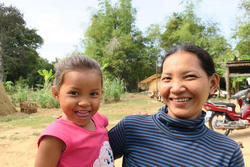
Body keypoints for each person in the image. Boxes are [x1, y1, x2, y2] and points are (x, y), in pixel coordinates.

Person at [108, 44, 245, 167]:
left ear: (212, 84)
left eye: (189, 76)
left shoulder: (228, 153)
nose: (176, 88)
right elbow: (90, 157)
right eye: (167, 78)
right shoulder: (132, 128)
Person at [35, 55, 114, 167]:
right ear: (56, 93)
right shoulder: (55, 137)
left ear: (101, 94)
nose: (85, 103)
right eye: (74, 93)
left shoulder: (100, 120)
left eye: (93, 94)